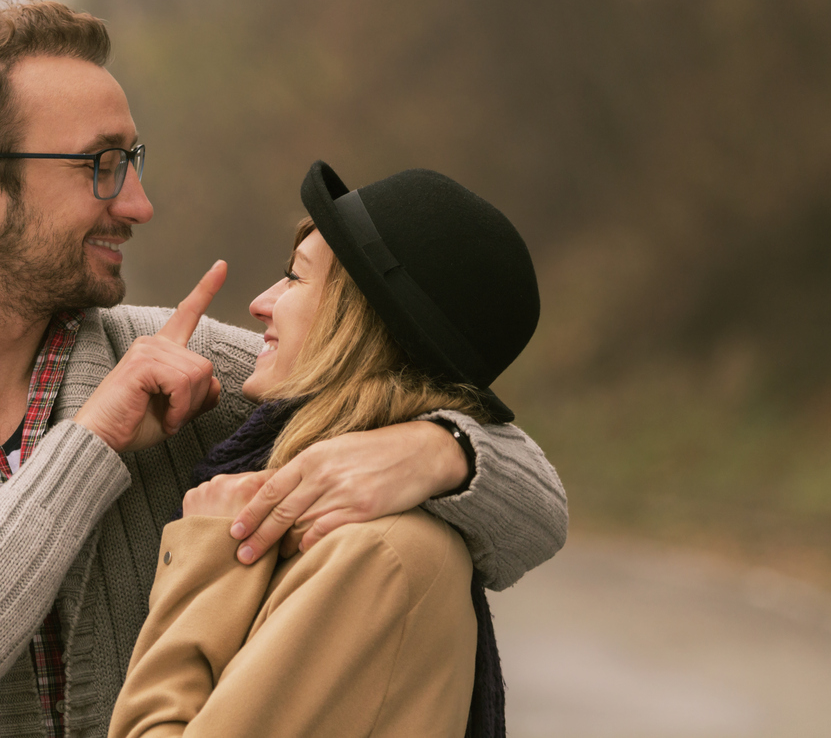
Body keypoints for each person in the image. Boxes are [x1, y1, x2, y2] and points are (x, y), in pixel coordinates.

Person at [0, 0, 567, 738]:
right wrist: (95, 441)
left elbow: (535, 510)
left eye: (134, 162)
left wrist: (443, 451)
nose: (139, 203)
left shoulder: (182, 364)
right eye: (101, 166)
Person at [109, 161, 536, 738]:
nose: (260, 302)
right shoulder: (352, 524)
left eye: (294, 277)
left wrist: (206, 556)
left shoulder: (369, 553)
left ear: (358, 320)